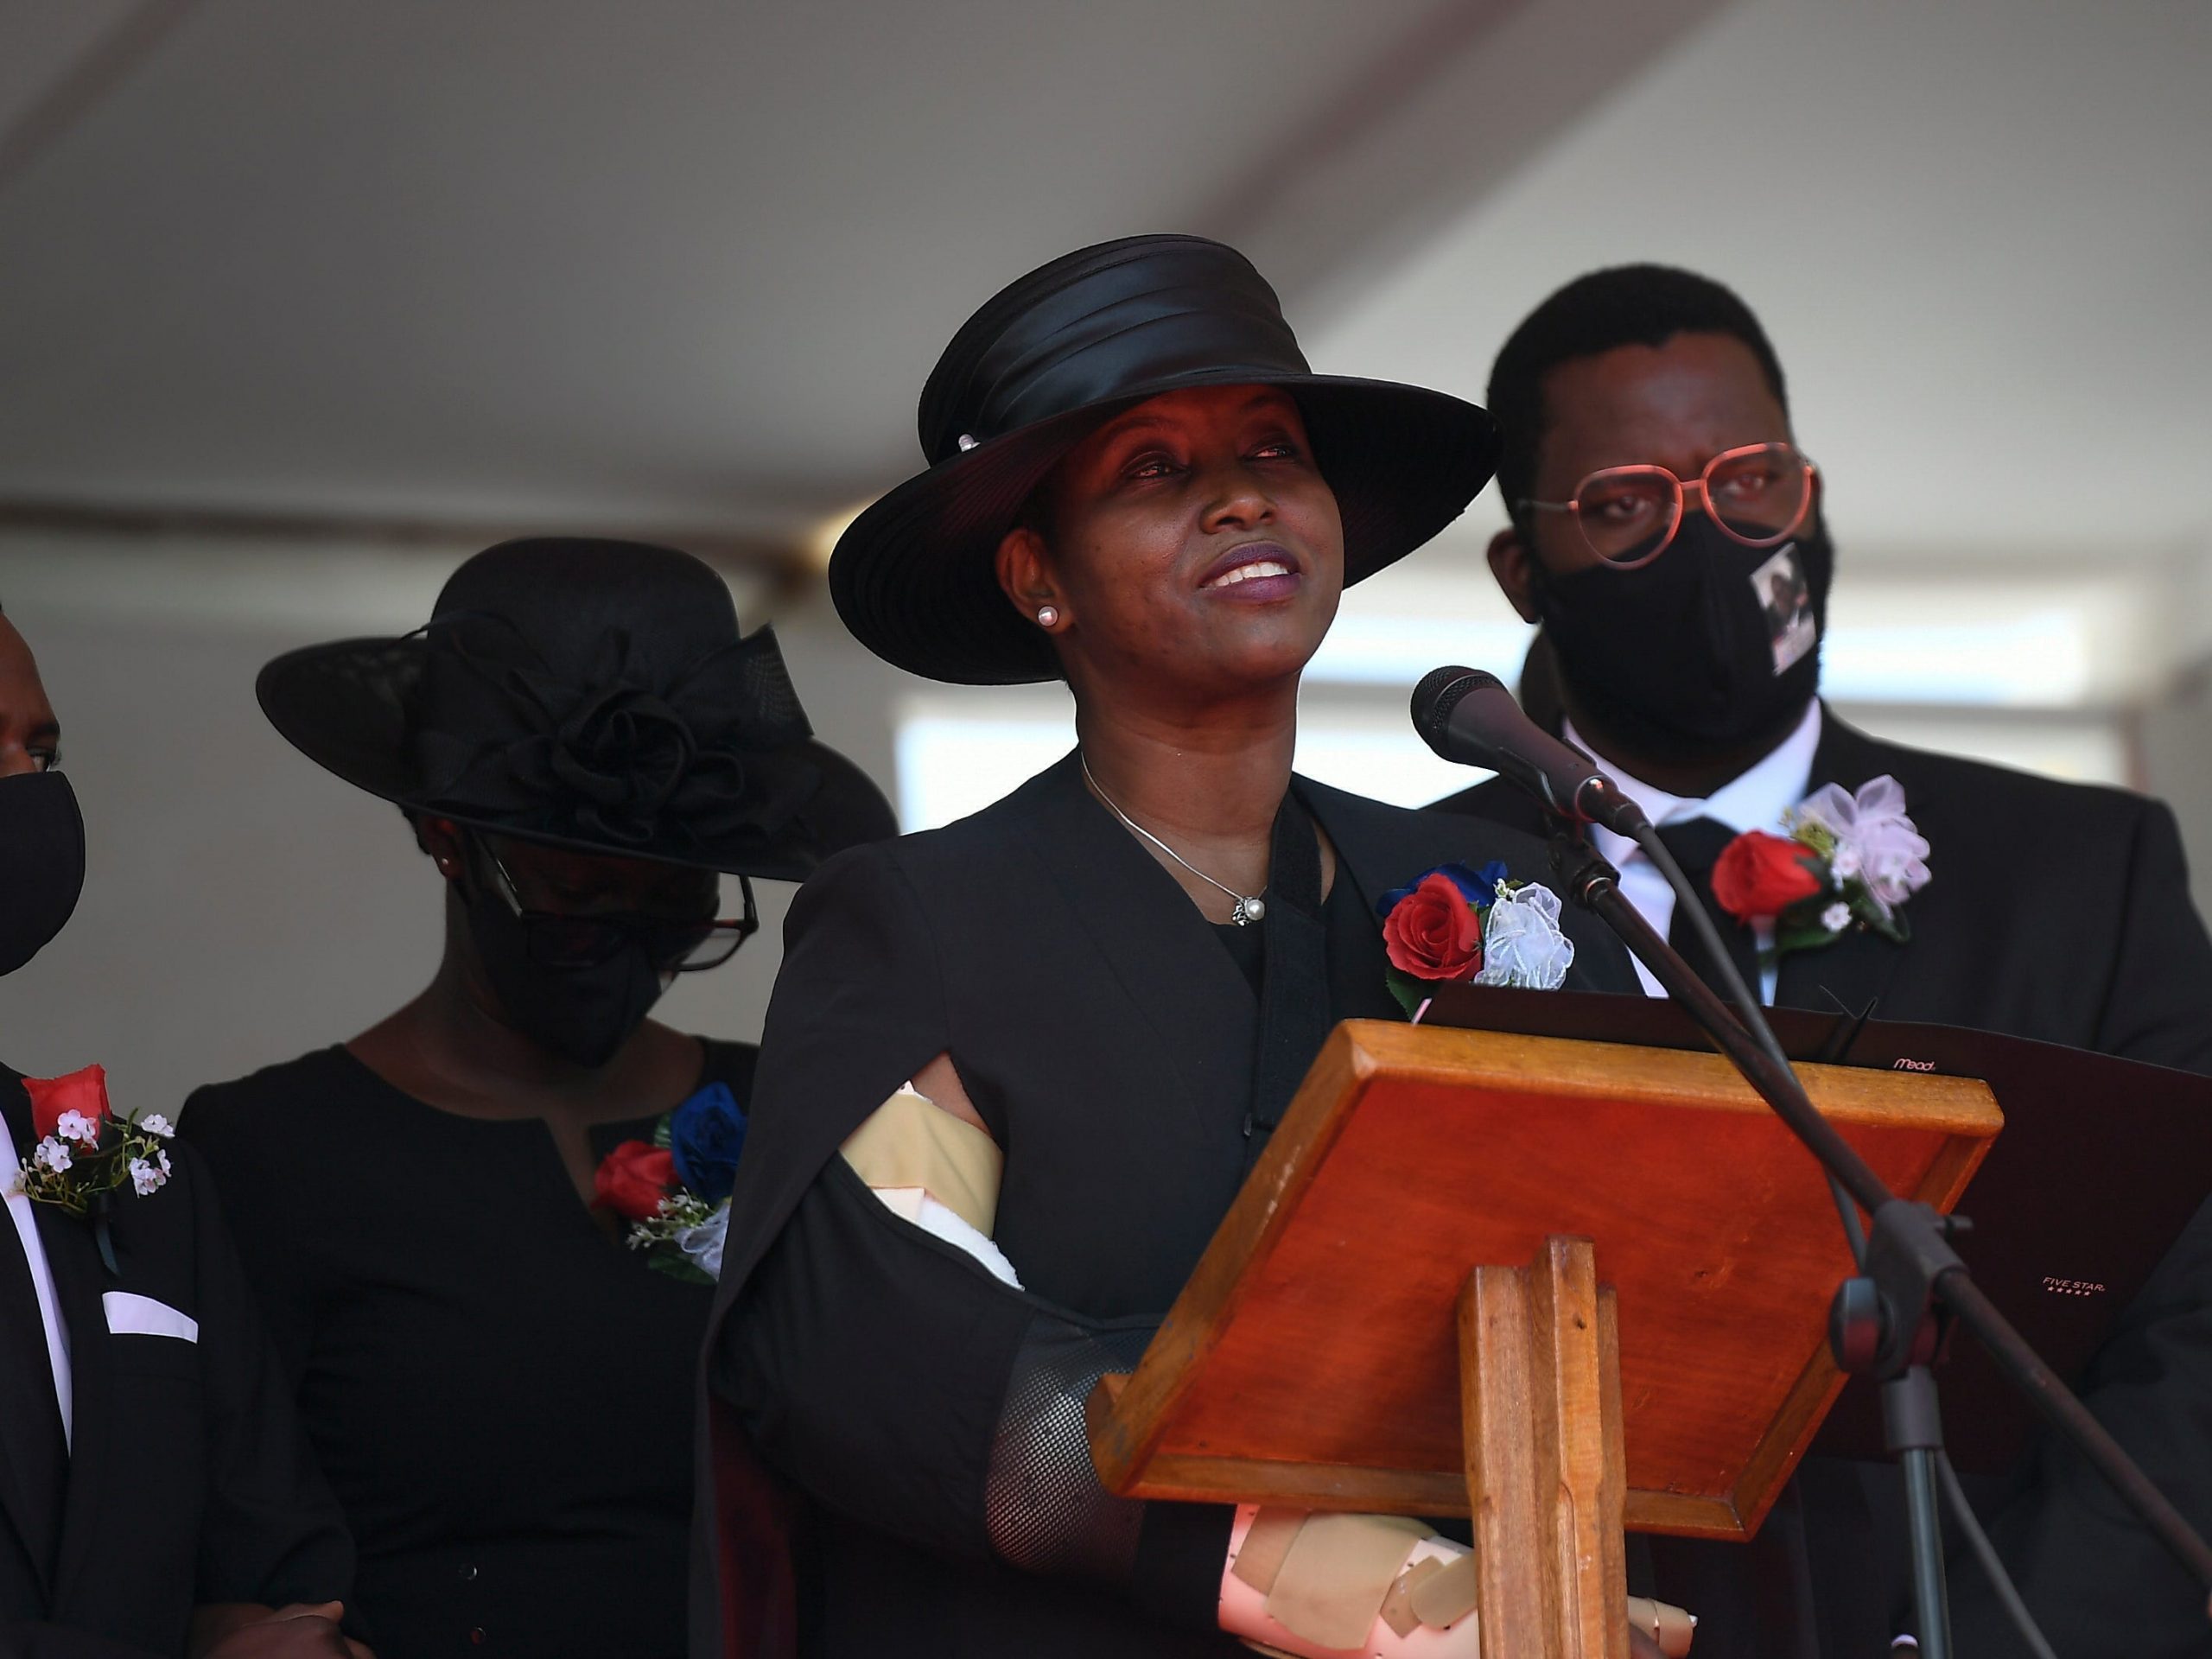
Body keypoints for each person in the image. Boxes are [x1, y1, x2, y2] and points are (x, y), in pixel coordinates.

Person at [693, 235, 1656, 1659]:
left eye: (1274, 448)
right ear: (1038, 579)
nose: (1241, 494)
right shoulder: (930, 924)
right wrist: (1306, 1568)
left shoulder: (1505, 891)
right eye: (1154, 469)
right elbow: (878, 1327)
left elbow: (1644, 1271)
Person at [1433, 264, 2212, 1655]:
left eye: (1752, 479)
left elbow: (2189, 1327)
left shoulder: (2085, 876)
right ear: (1522, 571)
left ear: (1812, 495)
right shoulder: (1405, 893)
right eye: (1625, 505)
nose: (1711, 537)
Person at [181, 541, 894, 1659]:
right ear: (447, 840)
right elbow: (221, 1540)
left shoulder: (784, 1116)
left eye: (676, 901)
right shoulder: (272, 1150)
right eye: (579, 893)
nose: (630, 940)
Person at [0, 603, 365, 1659]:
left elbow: (274, 1553)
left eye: (43, 748)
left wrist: (274, 1635)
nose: (34, 793)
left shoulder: (143, 1186)